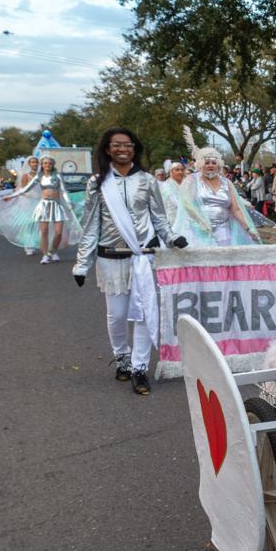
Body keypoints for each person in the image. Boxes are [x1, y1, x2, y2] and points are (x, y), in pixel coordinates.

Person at [72, 128, 188, 395]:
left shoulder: (148, 181)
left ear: (135, 149)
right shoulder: (97, 183)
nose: (123, 149)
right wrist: (81, 264)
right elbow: (90, 226)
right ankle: (122, 357)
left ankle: (139, 368)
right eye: (117, 145)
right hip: (110, 257)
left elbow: (159, 219)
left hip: (142, 257)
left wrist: (172, 239)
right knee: (118, 315)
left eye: (128, 145)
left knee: (144, 313)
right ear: (107, 149)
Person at [174, 127, 261, 247]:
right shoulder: (191, 180)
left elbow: (235, 209)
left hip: (224, 232)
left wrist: (249, 228)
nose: (210, 165)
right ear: (200, 163)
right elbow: (187, 203)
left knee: (223, 262)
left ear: (218, 164)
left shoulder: (227, 182)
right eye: (207, 162)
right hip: (199, 233)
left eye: (214, 163)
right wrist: (202, 222)